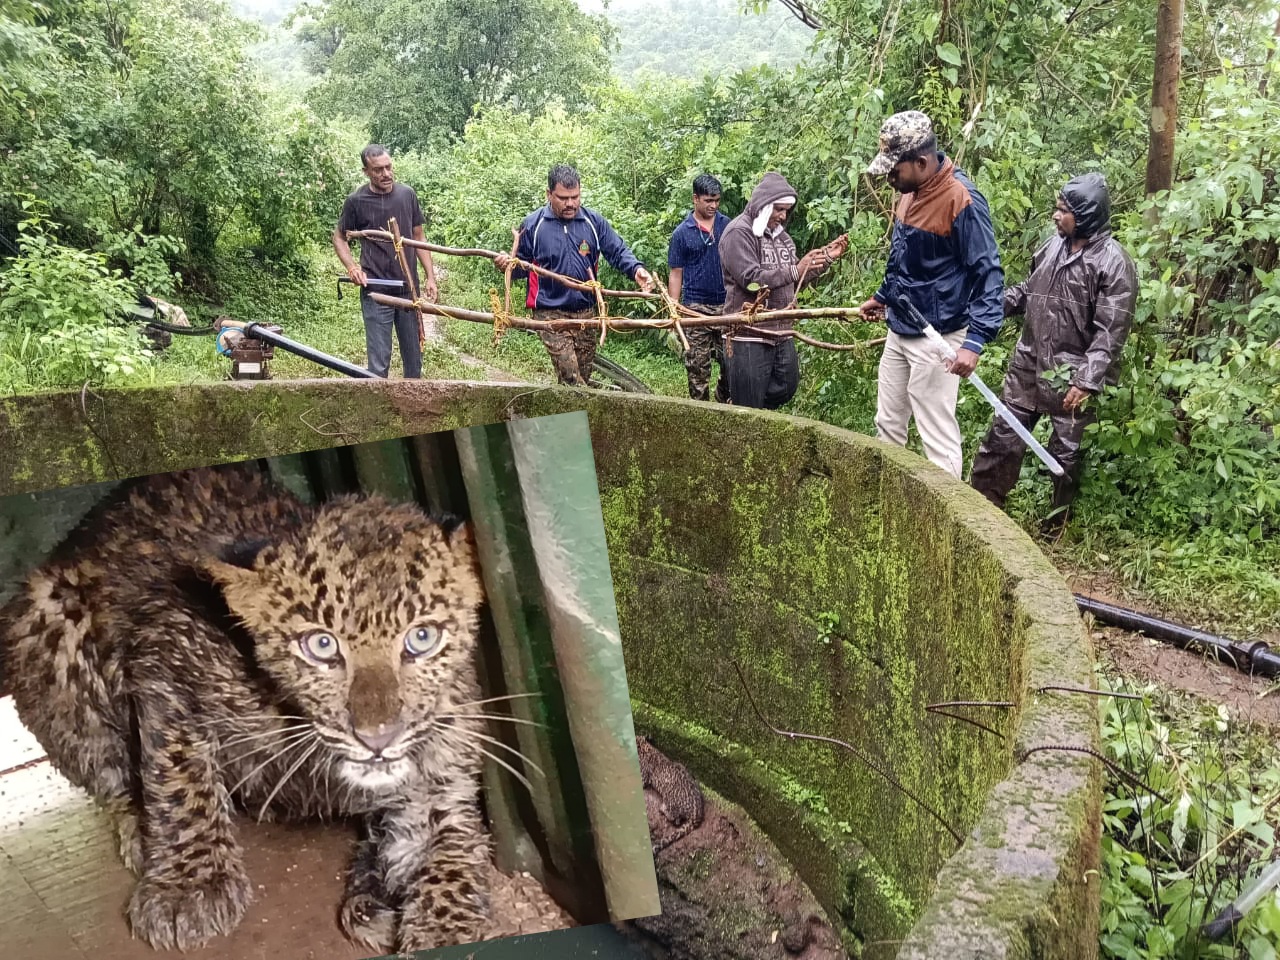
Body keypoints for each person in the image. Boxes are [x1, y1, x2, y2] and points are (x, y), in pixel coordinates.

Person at [970, 172, 1137, 533]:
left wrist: (1087, 381)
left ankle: (1056, 527)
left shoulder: (1113, 263)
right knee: (1000, 442)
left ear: (1087, 215)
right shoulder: (1050, 248)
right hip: (1028, 365)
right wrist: (984, 309)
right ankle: (982, 517)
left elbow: (1111, 332)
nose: (1055, 216)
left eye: (1063, 210)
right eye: (1057, 208)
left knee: (1065, 457)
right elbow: (1027, 292)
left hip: (1072, 375)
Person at [858, 110, 1004, 479]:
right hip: (900, 327)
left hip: (938, 335)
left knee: (935, 433)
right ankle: (886, 504)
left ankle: (947, 521)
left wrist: (974, 343)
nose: (890, 178)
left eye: (895, 170)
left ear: (921, 162)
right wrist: (884, 295)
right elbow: (902, 258)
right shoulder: (909, 192)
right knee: (888, 421)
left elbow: (988, 275)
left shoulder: (962, 201)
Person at [495, 165, 654, 386]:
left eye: (575, 197)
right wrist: (506, 265)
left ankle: (566, 416)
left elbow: (616, 250)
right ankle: (574, 417)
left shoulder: (593, 222)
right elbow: (519, 267)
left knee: (582, 378)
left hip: (585, 313)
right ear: (549, 194)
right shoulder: (534, 225)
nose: (570, 204)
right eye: (563, 198)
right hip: (550, 313)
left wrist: (636, 269)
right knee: (572, 379)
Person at [718, 171, 848, 410]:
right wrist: (794, 270)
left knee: (787, 386)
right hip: (749, 332)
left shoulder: (784, 239)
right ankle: (736, 400)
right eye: (779, 209)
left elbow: (794, 278)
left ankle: (735, 396)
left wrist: (826, 258)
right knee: (749, 406)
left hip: (781, 331)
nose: (783, 215)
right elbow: (751, 280)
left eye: (786, 210)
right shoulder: (739, 232)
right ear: (764, 206)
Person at [333, 144, 440, 379]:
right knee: (378, 365)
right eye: (378, 170)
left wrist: (430, 276)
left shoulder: (406, 195)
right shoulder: (356, 201)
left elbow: (419, 235)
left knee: (414, 363)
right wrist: (352, 267)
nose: (386, 174)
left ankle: (412, 410)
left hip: (408, 291)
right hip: (375, 291)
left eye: (389, 167)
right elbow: (339, 237)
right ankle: (378, 412)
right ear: (366, 171)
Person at [667, 174, 732, 402]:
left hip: (727, 306)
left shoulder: (728, 226)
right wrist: (674, 309)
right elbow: (676, 273)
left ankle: (724, 401)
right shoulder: (681, 233)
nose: (713, 205)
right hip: (695, 308)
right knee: (697, 368)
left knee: (731, 364)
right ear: (695, 199)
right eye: (708, 201)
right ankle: (700, 412)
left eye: (716, 200)